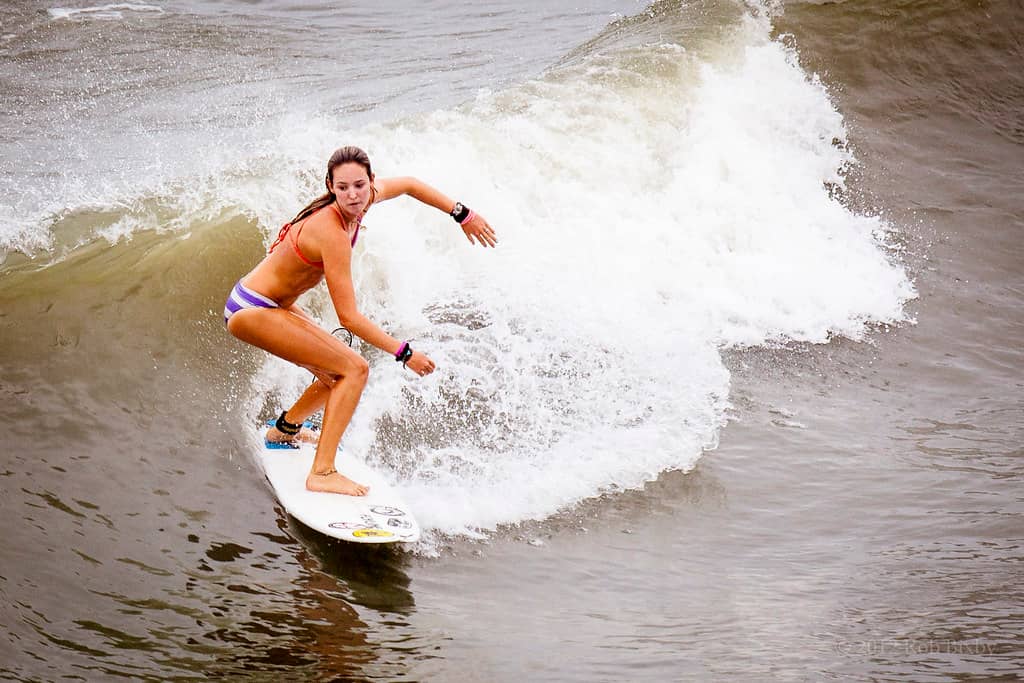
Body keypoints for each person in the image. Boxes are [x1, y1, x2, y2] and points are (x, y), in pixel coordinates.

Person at [224, 145, 497, 496]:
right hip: (254, 308)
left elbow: (412, 184)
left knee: (334, 371)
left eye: (359, 186)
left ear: (371, 182)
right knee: (355, 370)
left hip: (270, 303)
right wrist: (404, 352)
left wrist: (462, 214)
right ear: (330, 187)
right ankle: (321, 473)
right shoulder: (331, 231)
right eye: (342, 188)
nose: (352, 195)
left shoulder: (365, 199)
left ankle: (284, 430)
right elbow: (348, 316)